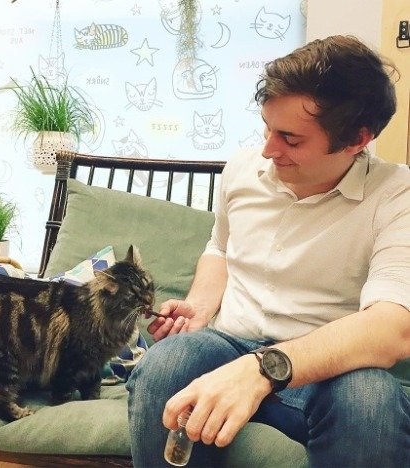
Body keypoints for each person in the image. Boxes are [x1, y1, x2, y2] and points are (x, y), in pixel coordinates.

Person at [126, 35, 410, 467]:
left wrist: (261, 369)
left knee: (369, 401)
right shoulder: (243, 169)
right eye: (267, 128)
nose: (268, 149)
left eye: (290, 139)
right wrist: (200, 307)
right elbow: (220, 247)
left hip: (328, 368)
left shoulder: (396, 195)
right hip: (227, 343)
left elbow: (393, 328)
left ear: (357, 139)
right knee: (166, 365)